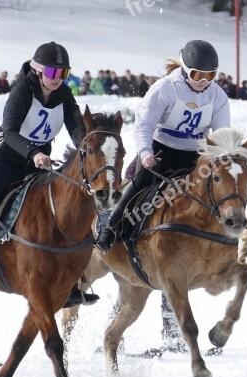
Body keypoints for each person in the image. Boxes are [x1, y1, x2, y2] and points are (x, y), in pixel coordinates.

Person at [0, 42, 83, 295]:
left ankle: (66, 280)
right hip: (3, 159)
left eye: (64, 74)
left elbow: (78, 131)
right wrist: (34, 152)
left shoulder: (66, 96)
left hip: (37, 164)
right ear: (38, 71)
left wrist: (90, 150)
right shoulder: (22, 90)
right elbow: (10, 131)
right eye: (52, 73)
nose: (58, 79)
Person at [95, 39, 230, 253]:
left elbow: (222, 134)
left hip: (197, 154)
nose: (204, 81)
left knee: (222, 187)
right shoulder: (165, 88)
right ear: (186, 71)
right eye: (197, 75)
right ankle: (110, 229)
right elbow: (144, 124)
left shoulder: (217, 96)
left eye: (210, 75)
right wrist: (146, 153)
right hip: (161, 150)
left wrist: (223, 158)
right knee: (140, 183)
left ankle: (226, 236)